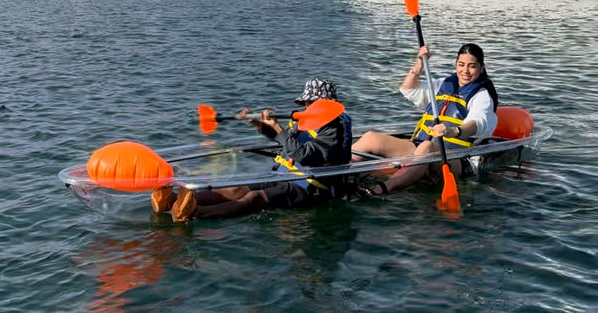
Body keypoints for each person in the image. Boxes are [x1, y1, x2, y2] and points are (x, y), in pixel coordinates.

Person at [152, 78, 352, 220]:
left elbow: (302, 155)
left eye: (311, 103)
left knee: (253, 199)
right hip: (285, 176)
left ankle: (193, 213)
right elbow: (285, 142)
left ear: (325, 104)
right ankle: (173, 202)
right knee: (235, 189)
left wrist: (276, 126)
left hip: (311, 188)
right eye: (306, 103)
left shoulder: (334, 128)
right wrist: (262, 127)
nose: (307, 107)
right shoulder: (306, 120)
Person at [351, 43, 498, 194]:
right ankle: (337, 172)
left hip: (459, 158)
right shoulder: (444, 84)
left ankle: (380, 189)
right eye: (461, 65)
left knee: (427, 147)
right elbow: (409, 90)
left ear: (481, 67)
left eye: (472, 66)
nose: (465, 71)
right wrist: (419, 65)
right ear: (456, 64)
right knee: (370, 138)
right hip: (422, 149)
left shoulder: (482, 95)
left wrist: (452, 131)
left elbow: (478, 123)